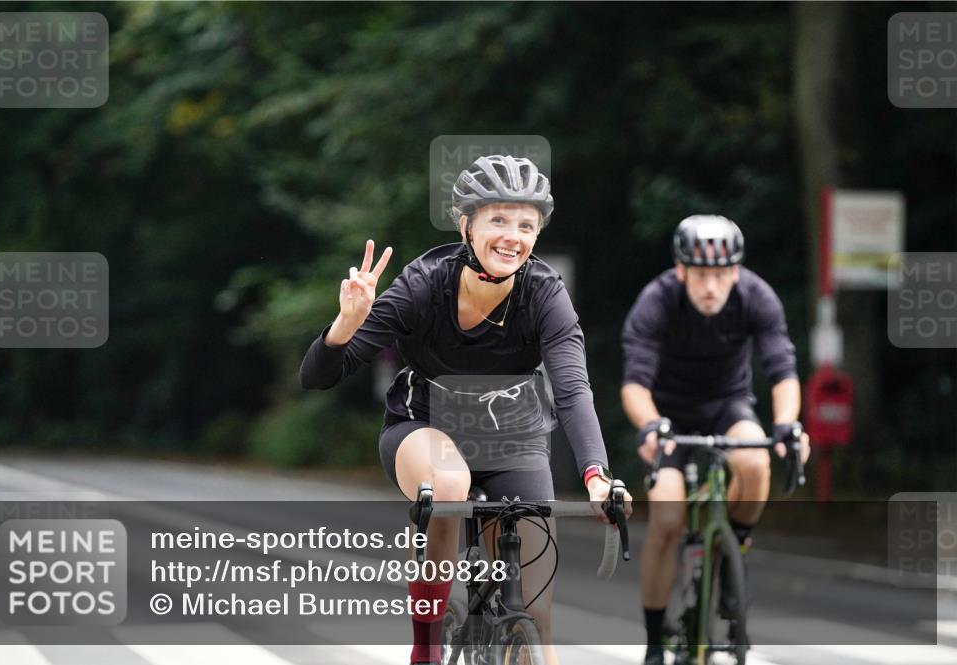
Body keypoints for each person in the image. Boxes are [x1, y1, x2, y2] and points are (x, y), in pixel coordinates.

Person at [300, 154, 630, 665]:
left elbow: (572, 389)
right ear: (467, 225)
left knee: (537, 625)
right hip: (424, 428)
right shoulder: (424, 284)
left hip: (512, 439)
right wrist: (345, 323)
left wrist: (596, 475)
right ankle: (428, 645)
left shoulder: (545, 294)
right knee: (450, 484)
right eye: (498, 220)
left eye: (526, 224)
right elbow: (318, 376)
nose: (511, 237)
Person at [619, 215, 811, 665]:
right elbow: (634, 384)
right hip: (668, 416)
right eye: (701, 275)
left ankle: (733, 553)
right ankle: (653, 641)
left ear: (736, 272)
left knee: (755, 462)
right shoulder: (657, 300)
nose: (712, 286)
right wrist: (650, 426)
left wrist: (787, 425)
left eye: (722, 275)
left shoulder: (756, 297)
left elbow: (783, 372)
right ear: (681, 270)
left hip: (728, 406)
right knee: (667, 521)